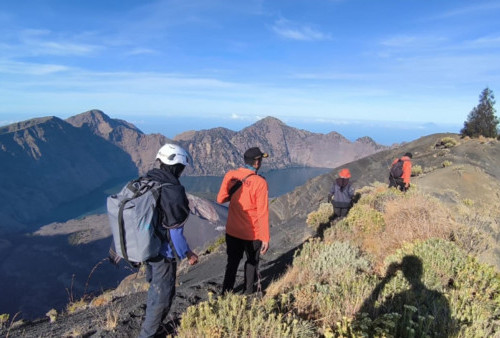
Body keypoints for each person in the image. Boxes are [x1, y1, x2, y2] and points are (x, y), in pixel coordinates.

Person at [139, 143, 198, 338]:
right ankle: (148, 334)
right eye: (181, 167)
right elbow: (175, 233)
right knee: (162, 297)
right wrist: (187, 253)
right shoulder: (173, 190)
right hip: (163, 254)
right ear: (176, 166)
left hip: (147, 248)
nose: (181, 172)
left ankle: (151, 326)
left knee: (155, 288)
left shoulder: (148, 180)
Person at [217, 147, 270, 295]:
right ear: (256, 162)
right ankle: (248, 292)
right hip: (252, 232)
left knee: (232, 262)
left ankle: (225, 293)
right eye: (260, 159)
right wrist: (265, 237)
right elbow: (262, 212)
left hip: (233, 230)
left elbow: (220, 199)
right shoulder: (260, 183)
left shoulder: (231, 175)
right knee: (252, 262)